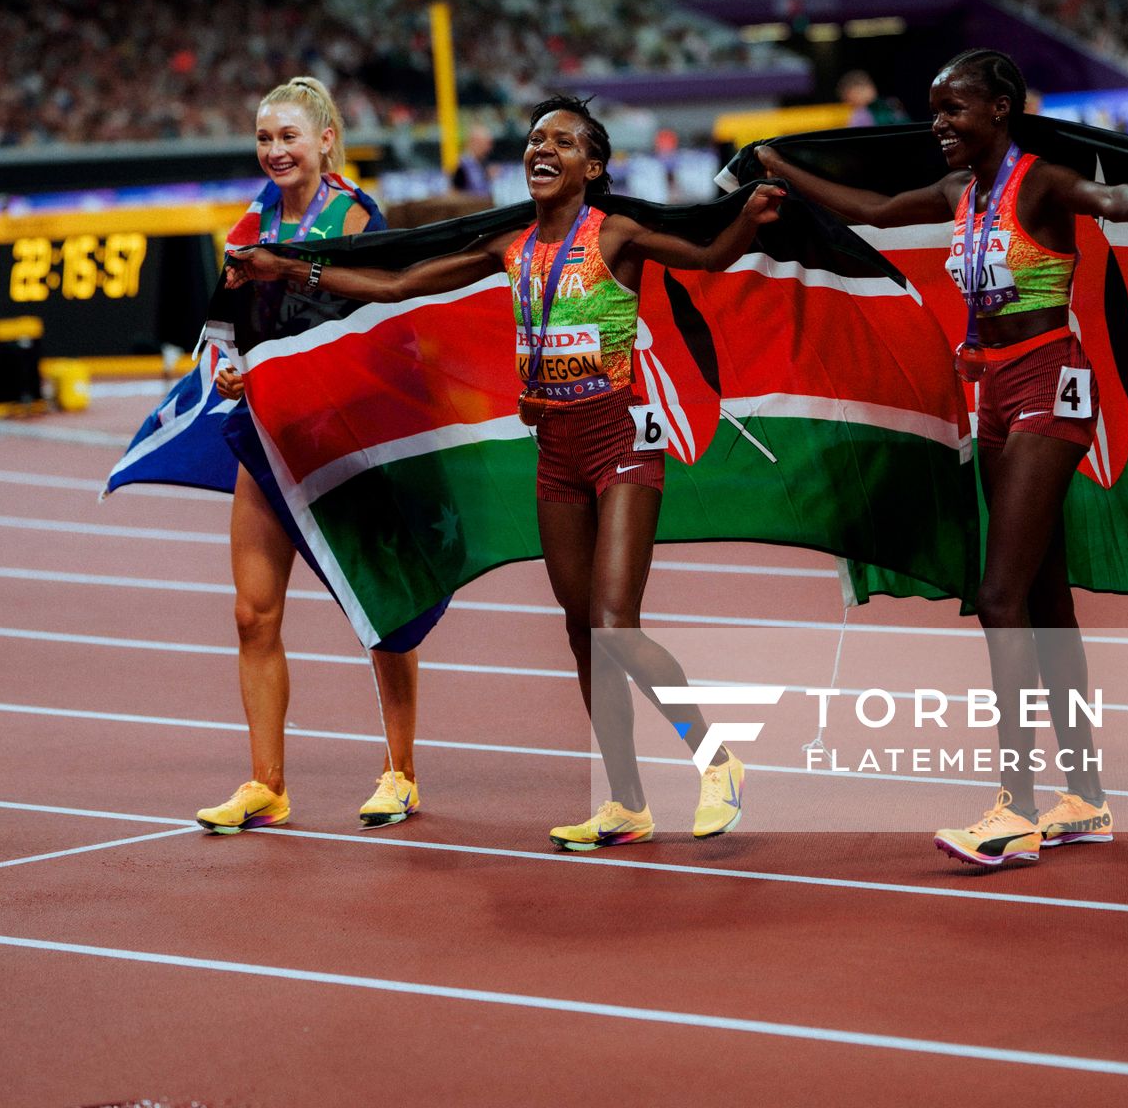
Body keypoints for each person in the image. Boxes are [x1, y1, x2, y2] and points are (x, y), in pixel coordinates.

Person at [227, 95, 786, 852]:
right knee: (581, 629)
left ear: (592, 167)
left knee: (615, 620)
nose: (541, 148)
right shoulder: (510, 245)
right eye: (533, 140)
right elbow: (399, 285)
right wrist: (289, 266)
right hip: (554, 450)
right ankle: (625, 800)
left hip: (620, 439)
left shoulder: (615, 232)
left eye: (562, 140)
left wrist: (748, 222)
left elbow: (710, 257)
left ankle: (717, 762)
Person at [756, 48, 1128, 868]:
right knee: (1043, 595)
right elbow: (879, 210)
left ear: (1002, 108)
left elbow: (1107, 197)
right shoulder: (964, 193)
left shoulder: (1040, 183)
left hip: (1049, 381)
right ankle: (1086, 797)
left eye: (955, 109)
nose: (940, 125)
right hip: (989, 390)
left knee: (998, 596)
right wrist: (783, 166)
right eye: (934, 110)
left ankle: (1016, 806)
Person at [195, 77, 428, 836]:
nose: (275, 151)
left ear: (326, 140)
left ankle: (400, 773)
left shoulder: (355, 217)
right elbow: (219, 336)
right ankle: (268, 785)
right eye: (265, 139)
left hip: (347, 440)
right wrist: (224, 372)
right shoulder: (244, 229)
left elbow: (388, 317)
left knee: (381, 610)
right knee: (250, 614)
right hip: (268, 438)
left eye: (288, 137)